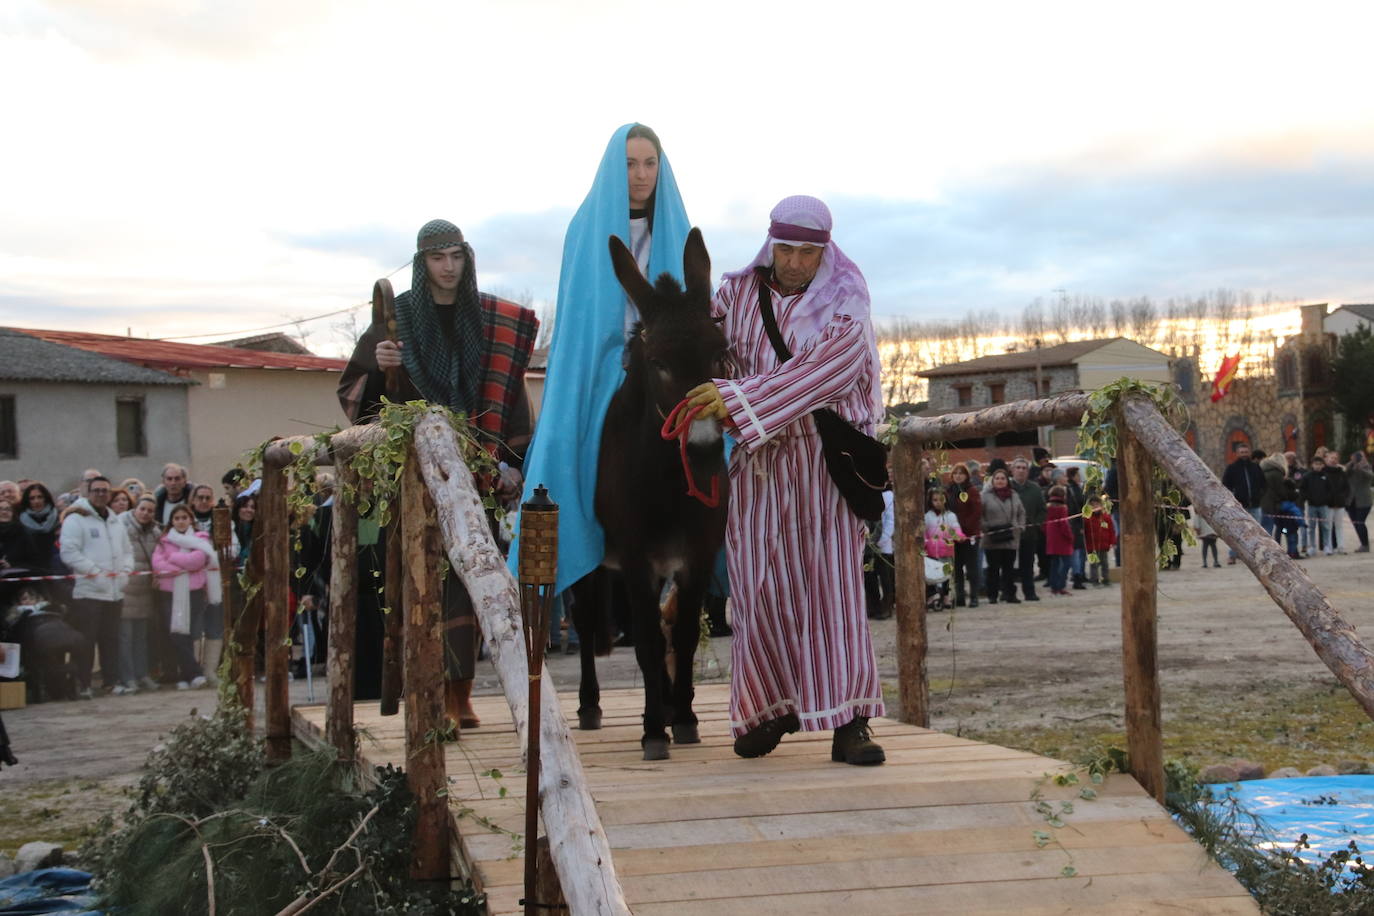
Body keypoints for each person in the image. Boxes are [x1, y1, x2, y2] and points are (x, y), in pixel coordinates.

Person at [684, 195, 886, 766]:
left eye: (808, 251)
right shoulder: (735, 295)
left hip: (824, 463)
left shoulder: (847, 298)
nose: (797, 261)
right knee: (758, 587)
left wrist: (739, 398)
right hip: (759, 462)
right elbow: (715, 357)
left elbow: (832, 368)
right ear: (770, 243)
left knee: (833, 590)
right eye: (787, 248)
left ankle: (851, 724)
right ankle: (768, 710)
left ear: (825, 250)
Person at [340, 217, 538, 730]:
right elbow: (358, 397)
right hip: (415, 475)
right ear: (421, 262)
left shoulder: (492, 319)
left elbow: (508, 393)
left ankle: (461, 694)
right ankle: (427, 693)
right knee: (420, 583)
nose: (448, 267)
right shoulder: (396, 318)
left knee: (471, 584)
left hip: (476, 472)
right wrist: (382, 363)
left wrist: (511, 462)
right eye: (437, 257)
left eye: (456, 256)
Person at [513, 124, 692, 637]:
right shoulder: (584, 227)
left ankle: (703, 565)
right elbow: (579, 313)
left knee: (715, 450)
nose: (639, 175)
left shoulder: (676, 227)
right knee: (563, 451)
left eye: (649, 164)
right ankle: (563, 563)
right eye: (630, 164)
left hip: (659, 362)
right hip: (597, 362)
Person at [58, 475, 133, 697]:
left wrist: (125, 573)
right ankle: (83, 684)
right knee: (85, 641)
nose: (101, 494)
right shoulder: (76, 519)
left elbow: (127, 551)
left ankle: (111, 681)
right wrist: (95, 573)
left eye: (105, 491)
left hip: (114, 591)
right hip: (89, 592)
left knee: (110, 639)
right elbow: (69, 552)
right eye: (97, 490)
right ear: (88, 493)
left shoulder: (114, 520)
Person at [151, 505, 216, 690]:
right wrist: (182, 567)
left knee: (187, 632)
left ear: (190, 520)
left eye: (184, 517)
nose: (180, 521)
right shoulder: (163, 541)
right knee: (176, 633)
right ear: (172, 521)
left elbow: (197, 560)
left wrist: (172, 558)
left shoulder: (201, 539)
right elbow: (158, 565)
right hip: (169, 593)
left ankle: (186, 674)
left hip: (193, 592)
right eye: (177, 518)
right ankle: (193, 673)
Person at [2, 585, 90, 702]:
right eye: (24, 599)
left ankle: (61, 682)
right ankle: (63, 678)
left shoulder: (50, 608)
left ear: (38, 598)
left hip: (52, 637)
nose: (28, 601)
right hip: (36, 641)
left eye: (31, 598)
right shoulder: (17, 613)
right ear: (18, 602)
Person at [121, 495, 162, 692]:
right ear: (135, 509)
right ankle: (128, 677)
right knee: (125, 637)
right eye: (142, 509)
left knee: (141, 638)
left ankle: (142, 674)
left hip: (145, 592)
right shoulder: (121, 527)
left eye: (150, 510)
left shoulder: (155, 531)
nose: (146, 513)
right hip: (127, 590)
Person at [981, 468, 1026, 603]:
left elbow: (1021, 512)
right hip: (992, 537)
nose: (1000, 481)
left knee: (1009, 569)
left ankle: (1009, 594)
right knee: (993, 569)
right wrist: (986, 527)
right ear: (992, 481)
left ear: (1007, 480)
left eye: (1002, 478)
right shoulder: (985, 496)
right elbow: (980, 515)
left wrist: (1020, 526)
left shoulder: (1014, 495)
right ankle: (992, 595)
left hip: (1010, 537)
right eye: (997, 478)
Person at [1221, 443, 1264, 564]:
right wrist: (1233, 500)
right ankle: (1233, 555)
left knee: (1256, 532)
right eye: (1242, 452)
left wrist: (1259, 496)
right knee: (1237, 532)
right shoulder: (1232, 468)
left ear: (1249, 452)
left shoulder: (1256, 467)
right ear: (1237, 453)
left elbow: (1263, 484)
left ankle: (1255, 556)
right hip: (1239, 506)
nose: (1244, 454)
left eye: (1246, 452)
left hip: (1255, 505)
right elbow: (1225, 486)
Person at [946, 462, 982, 608]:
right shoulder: (948, 491)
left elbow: (976, 511)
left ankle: (974, 596)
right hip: (953, 536)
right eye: (956, 473)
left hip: (969, 534)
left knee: (972, 568)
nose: (958, 476)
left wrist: (964, 529)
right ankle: (959, 596)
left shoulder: (971, 490)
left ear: (966, 475)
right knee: (957, 568)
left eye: (961, 473)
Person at [1008, 458, 1043, 600]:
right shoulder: (1006, 486)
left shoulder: (1035, 488)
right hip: (1009, 535)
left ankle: (1030, 592)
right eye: (1018, 468)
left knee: (1028, 565)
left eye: (1024, 468)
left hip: (1029, 534)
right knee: (1008, 566)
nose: (1021, 470)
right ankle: (1009, 593)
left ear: (1028, 471)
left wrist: (1037, 523)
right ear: (1012, 470)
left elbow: (1042, 509)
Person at [923, 489, 964, 611]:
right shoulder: (927, 516)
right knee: (931, 575)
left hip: (946, 550)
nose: (938, 503)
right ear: (930, 501)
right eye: (935, 500)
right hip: (931, 552)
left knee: (946, 575)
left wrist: (960, 536)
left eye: (941, 499)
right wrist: (925, 543)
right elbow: (924, 533)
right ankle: (932, 596)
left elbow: (956, 529)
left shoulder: (950, 516)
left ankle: (946, 597)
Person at [18, 483, 62, 574]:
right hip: (32, 568)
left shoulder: (59, 517)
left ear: (46, 498)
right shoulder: (20, 521)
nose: (36, 501)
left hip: (57, 567)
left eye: (40, 497)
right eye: (32, 498)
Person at [1044, 485, 1074, 595]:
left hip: (1051, 538)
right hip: (1062, 539)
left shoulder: (1047, 508)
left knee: (1054, 564)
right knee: (1066, 563)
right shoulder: (1063, 508)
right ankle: (1061, 585)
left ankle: (1053, 586)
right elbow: (1064, 524)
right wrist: (1070, 536)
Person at [1084, 495, 1117, 585]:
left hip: (1104, 545)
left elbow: (1111, 530)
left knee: (1104, 564)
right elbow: (1085, 533)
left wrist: (1113, 542)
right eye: (1092, 505)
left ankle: (1105, 579)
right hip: (1092, 545)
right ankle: (1094, 579)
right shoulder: (1087, 518)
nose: (1095, 506)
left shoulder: (1106, 517)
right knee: (1094, 564)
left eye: (1097, 504)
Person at [1323, 452, 1350, 554]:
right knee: (1328, 527)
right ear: (1327, 459)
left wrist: (1343, 498)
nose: (1333, 460)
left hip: (1340, 503)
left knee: (1339, 526)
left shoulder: (1341, 472)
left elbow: (1347, 488)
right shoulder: (1323, 472)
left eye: (1335, 458)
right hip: (1328, 504)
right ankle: (1329, 547)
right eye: (1331, 458)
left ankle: (1341, 547)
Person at [1347, 451, 1372, 552]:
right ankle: (1363, 544)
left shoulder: (1367, 467)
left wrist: (1360, 468)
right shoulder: (1350, 467)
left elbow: (1370, 476)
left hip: (1364, 501)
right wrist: (1351, 463)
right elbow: (1345, 473)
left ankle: (1365, 545)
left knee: (1360, 522)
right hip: (1351, 501)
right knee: (1355, 523)